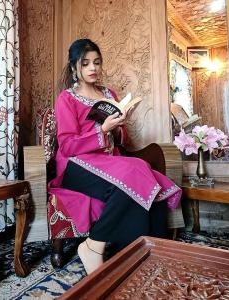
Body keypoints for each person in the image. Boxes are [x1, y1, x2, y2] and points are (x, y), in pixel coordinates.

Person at [48, 38, 182, 275]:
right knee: (133, 174)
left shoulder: (109, 93)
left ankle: (151, 255)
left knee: (149, 178)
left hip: (109, 161)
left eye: (97, 63)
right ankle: (94, 245)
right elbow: (67, 145)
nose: (93, 68)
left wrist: (118, 126)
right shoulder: (66, 98)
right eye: (86, 63)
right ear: (74, 68)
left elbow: (122, 139)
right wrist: (101, 130)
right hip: (76, 165)